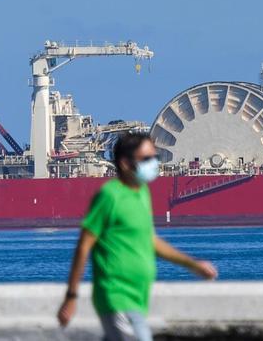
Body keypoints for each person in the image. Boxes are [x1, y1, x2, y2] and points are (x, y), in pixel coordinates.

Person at [57, 132, 218, 341]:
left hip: (137, 298)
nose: (154, 163)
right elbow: (84, 246)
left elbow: (150, 241)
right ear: (125, 163)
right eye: (147, 159)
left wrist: (192, 265)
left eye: (155, 158)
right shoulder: (110, 195)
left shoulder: (142, 193)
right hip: (115, 296)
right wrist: (71, 296)